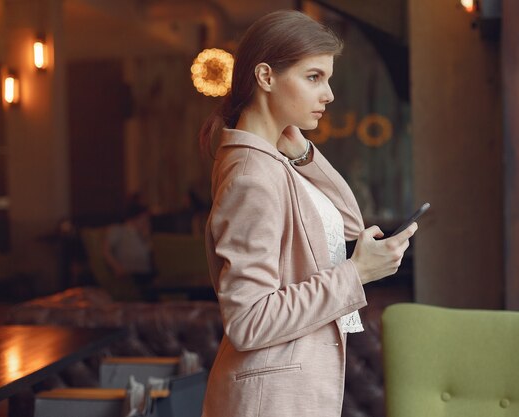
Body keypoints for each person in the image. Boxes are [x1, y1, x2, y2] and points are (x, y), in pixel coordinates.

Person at [200, 10, 418, 417]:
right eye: (314, 77)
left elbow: (351, 223)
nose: (329, 94)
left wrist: (301, 152)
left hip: (288, 392)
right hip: (269, 401)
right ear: (266, 77)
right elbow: (249, 321)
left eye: (328, 78)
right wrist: (357, 274)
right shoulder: (252, 176)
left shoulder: (277, 162)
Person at [102, 198, 155, 286]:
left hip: (146, 272)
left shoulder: (142, 235)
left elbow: (149, 254)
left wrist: (146, 237)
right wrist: (117, 268)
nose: (146, 222)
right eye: (144, 219)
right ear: (135, 218)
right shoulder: (118, 230)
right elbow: (106, 251)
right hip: (129, 273)